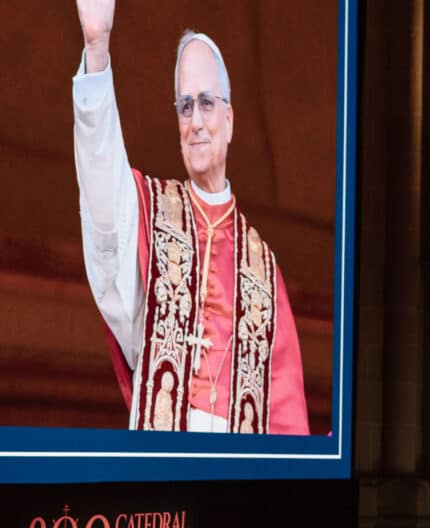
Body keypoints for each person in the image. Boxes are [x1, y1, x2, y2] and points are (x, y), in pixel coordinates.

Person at [72, 0, 309, 434]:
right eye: (184, 106)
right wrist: (97, 48)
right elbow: (101, 184)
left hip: (236, 489)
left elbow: (288, 425)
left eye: (205, 103)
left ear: (230, 119)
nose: (195, 121)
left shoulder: (265, 269)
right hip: (161, 485)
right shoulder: (152, 209)